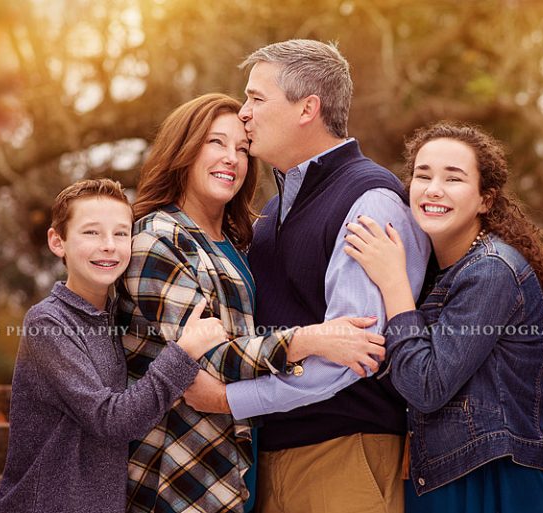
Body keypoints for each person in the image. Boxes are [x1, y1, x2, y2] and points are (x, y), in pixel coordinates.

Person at [182, 40, 430, 513]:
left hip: (344, 452)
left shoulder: (368, 201)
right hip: (271, 455)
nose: (244, 113)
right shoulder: (274, 212)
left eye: (257, 98)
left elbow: (350, 353)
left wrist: (228, 399)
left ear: (307, 108)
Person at [118, 93, 387, 513]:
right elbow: (201, 359)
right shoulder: (156, 239)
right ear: (183, 150)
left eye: (242, 148)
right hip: (178, 469)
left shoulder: (243, 243)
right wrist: (310, 340)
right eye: (215, 143)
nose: (232, 158)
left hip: (239, 463)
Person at [344, 121, 543, 512]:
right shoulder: (436, 272)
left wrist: (392, 283)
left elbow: (426, 386)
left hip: (488, 480)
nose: (433, 188)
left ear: (485, 200)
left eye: (453, 178)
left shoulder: (491, 271)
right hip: (440, 475)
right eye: (423, 175)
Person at [0, 179, 226, 513]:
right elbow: (112, 421)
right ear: (58, 242)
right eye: (91, 233)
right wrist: (184, 352)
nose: (109, 246)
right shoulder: (47, 323)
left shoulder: (120, 319)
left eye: (120, 233)